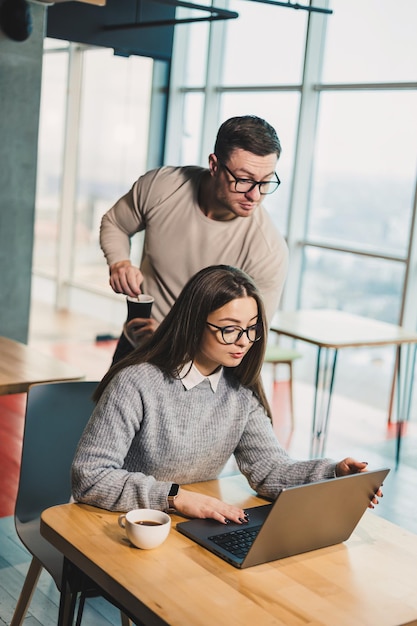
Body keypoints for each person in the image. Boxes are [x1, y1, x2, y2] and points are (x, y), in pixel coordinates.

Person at [71, 265, 380, 522]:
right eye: (229, 329)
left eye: (251, 328)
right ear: (193, 324)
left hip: (189, 525)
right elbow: (90, 476)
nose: (244, 341)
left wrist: (332, 473)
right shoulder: (136, 383)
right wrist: (175, 498)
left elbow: (269, 470)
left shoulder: (240, 391)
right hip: (125, 524)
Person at [100, 115, 289, 363]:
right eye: (244, 180)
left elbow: (250, 337)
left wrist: (172, 342)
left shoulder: (268, 250)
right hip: (137, 341)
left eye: (265, 182)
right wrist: (119, 263)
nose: (255, 195)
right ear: (214, 165)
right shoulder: (162, 187)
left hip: (201, 364)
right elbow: (115, 223)